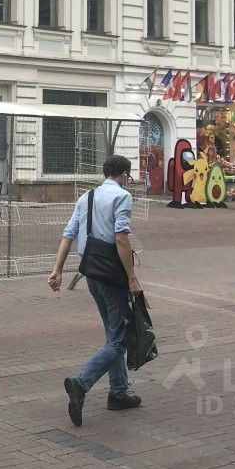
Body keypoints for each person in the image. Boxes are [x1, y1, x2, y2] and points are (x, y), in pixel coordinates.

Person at [48, 154, 143, 427]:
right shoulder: (122, 197)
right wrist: (132, 277)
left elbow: (69, 234)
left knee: (113, 334)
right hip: (113, 276)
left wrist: (57, 270)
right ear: (123, 175)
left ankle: (118, 393)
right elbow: (121, 237)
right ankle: (81, 383)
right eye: (128, 176)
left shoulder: (86, 197)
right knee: (119, 341)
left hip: (91, 273)